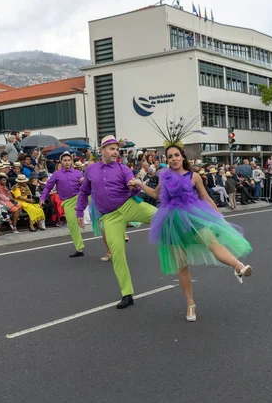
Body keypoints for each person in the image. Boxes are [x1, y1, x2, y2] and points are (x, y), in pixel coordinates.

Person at [130, 138, 252, 322]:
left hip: (194, 216)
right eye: (169, 156)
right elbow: (155, 194)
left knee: (212, 242)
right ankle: (190, 304)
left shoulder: (193, 176)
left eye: (176, 155)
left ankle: (238, 266)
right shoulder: (164, 176)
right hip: (171, 222)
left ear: (182, 156)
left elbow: (206, 198)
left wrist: (218, 217)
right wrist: (139, 184)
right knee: (182, 265)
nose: (173, 159)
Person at [75, 135, 157, 309]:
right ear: (103, 150)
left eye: (117, 149)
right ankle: (127, 294)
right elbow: (83, 192)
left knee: (161, 216)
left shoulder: (123, 168)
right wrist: (79, 211)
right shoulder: (91, 170)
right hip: (110, 217)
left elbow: (132, 188)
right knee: (117, 255)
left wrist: (134, 187)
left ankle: (193, 231)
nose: (115, 152)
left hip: (129, 205)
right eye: (112, 149)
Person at [39, 152, 85, 257]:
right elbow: (48, 187)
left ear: (72, 161)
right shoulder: (56, 174)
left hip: (80, 197)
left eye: (69, 160)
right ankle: (79, 249)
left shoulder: (77, 173)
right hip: (68, 202)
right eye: (65, 160)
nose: (67, 162)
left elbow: (86, 185)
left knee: (97, 198)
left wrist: (83, 181)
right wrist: (42, 198)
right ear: (61, 162)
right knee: (72, 225)